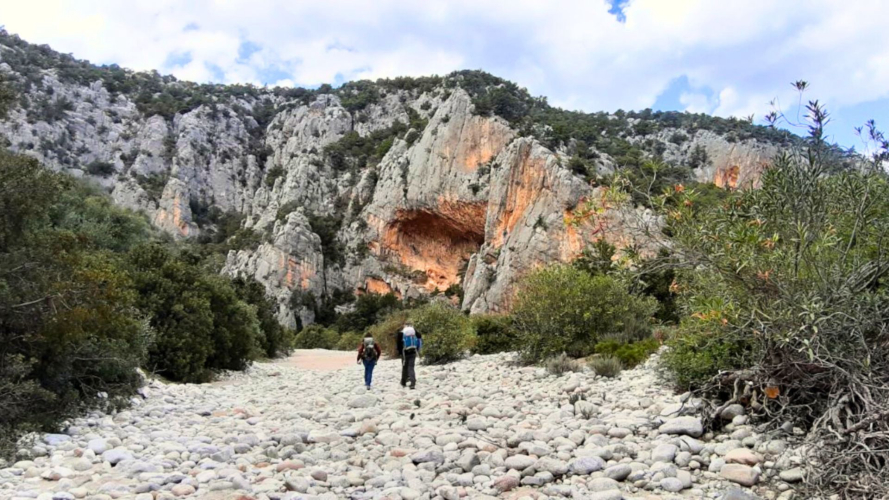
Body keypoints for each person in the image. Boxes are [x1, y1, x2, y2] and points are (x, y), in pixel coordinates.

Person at [396, 322, 422, 389]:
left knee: (404, 367)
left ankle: (403, 382)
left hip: (404, 352)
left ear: (404, 326)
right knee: (411, 367)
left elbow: (398, 344)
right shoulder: (413, 332)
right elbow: (419, 336)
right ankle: (413, 383)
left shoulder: (401, 333)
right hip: (413, 351)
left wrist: (399, 353)